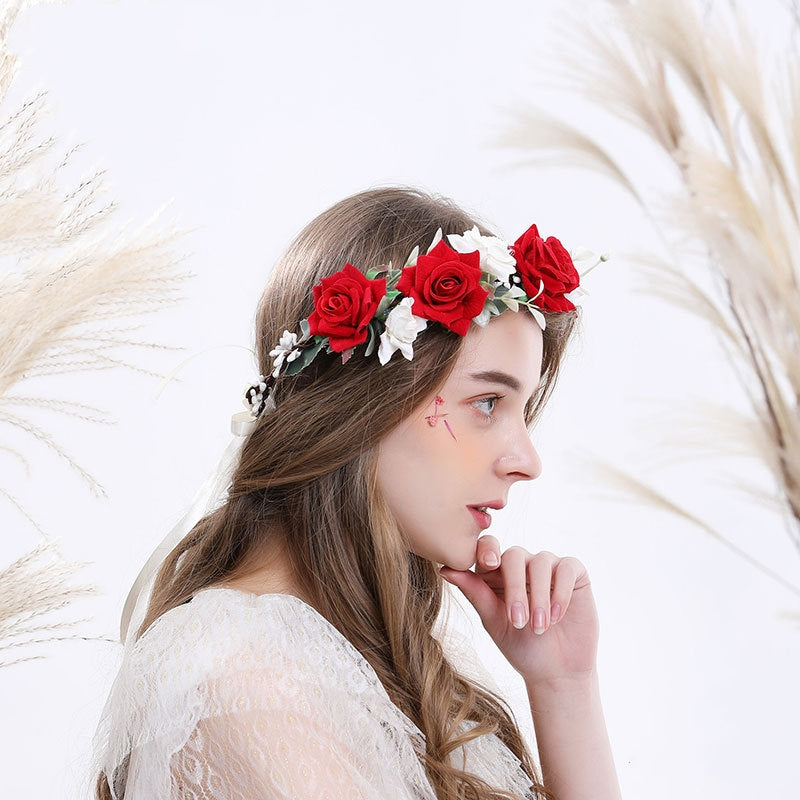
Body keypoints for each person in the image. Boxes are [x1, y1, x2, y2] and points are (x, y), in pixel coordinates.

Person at [91, 186, 622, 800]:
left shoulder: (366, 656)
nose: (526, 460)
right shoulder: (239, 677)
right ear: (365, 402)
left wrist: (564, 685)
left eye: (522, 410)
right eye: (486, 402)